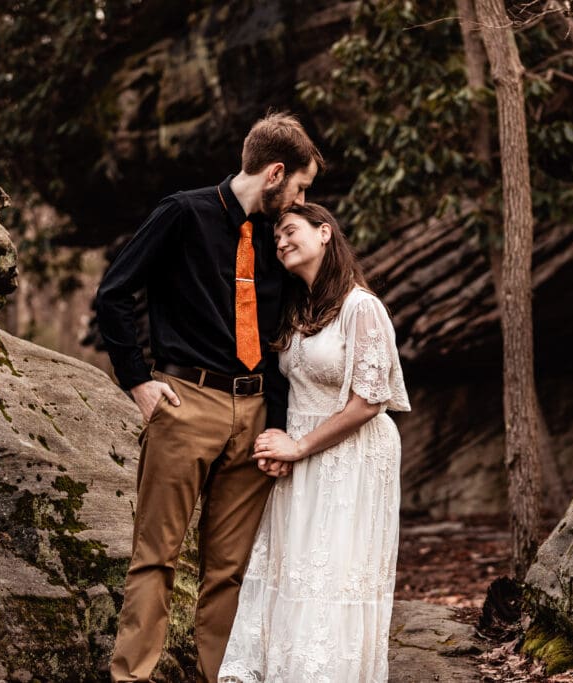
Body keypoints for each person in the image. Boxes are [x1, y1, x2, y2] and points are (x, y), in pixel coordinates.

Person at [95, 112, 324, 683]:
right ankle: (132, 678)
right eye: (299, 186)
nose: (299, 199)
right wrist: (140, 382)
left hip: (254, 416)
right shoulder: (182, 213)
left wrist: (277, 422)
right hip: (185, 403)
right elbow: (115, 293)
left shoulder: (276, 241)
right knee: (156, 558)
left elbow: (276, 336)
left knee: (230, 571)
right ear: (275, 173)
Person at [218, 203, 410, 682]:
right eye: (276, 236)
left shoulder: (360, 307)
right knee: (294, 572)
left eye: (290, 231)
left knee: (331, 576)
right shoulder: (300, 307)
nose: (280, 242)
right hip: (302, 459)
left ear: (325, 233)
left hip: (354, 458)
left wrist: (299, 447)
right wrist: (283, 444)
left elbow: (370, 400)